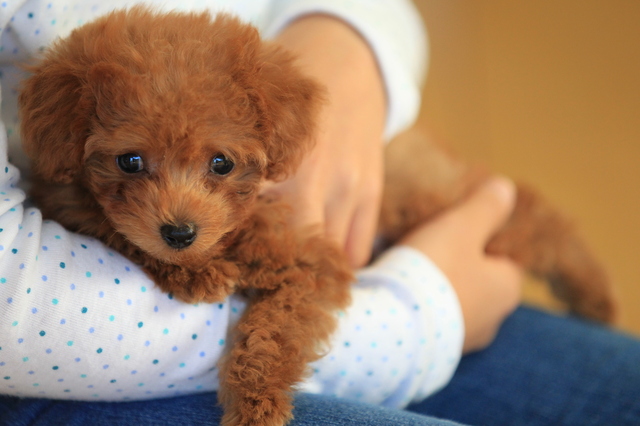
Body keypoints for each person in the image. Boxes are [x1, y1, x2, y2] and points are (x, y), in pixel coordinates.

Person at [0, 1, 638, 425]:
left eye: (219, 166)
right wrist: (422, 323)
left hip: (374, 223)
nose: (177, 215)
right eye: (132, 165)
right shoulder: (67, 120)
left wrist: (348, 34)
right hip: (63, 361)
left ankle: (547, 237)